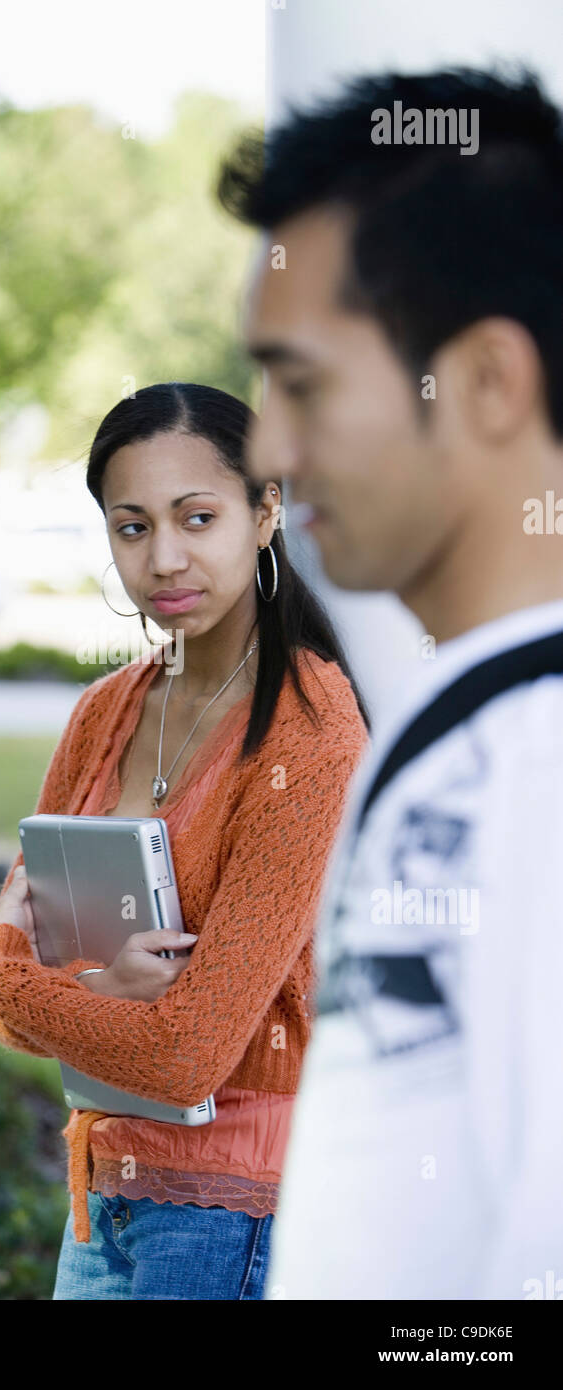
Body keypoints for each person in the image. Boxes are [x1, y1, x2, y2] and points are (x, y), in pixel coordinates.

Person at [216, 63, 563, 1299]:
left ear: (482, 381)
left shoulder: (534, 758)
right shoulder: (480, 729)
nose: (264, 444)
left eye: (299, 382)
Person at [0, 381, 369, 1300]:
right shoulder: (106, 712)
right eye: (133, 527)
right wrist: (98, 991)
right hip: (102, 1193)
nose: (166, 558)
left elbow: (185, 1053)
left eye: (198, 517)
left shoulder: (309, 730)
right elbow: (32, 988)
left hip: (228, 1216)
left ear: (266, 513)